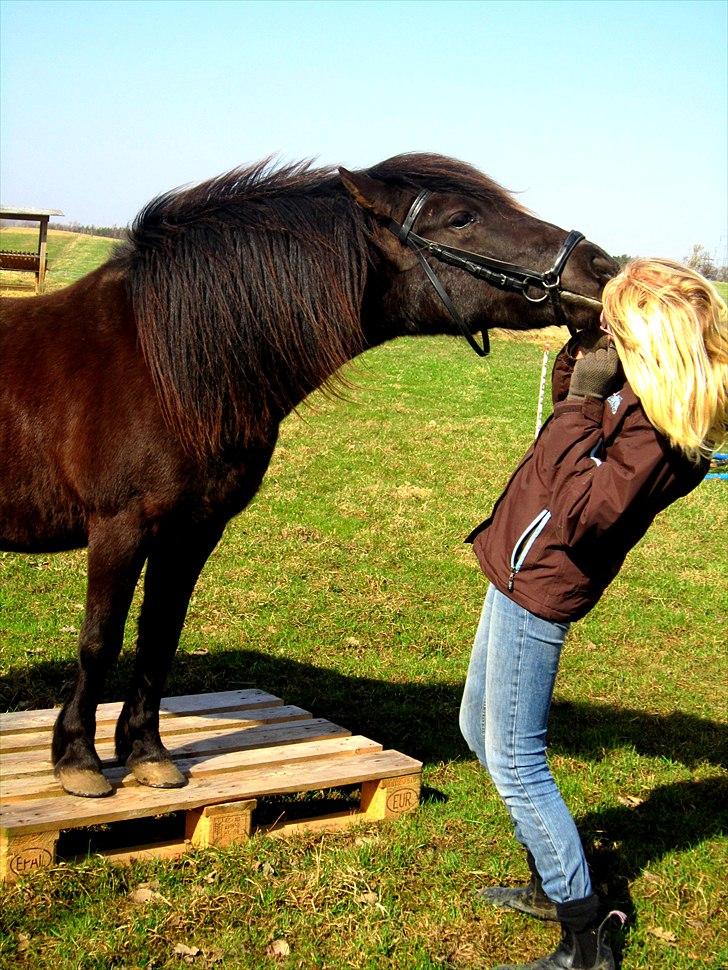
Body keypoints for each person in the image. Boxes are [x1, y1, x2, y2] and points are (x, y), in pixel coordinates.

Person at [459, 258, 728, 970]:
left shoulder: (663, 436)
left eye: (614, 316)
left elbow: (579, 510)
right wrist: (579, 364)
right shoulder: (635, 388)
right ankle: (556, 877)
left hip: (543, 584)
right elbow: (566, 435)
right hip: (516, 562)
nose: (604, 322)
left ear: (650, 332)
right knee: (473, 726)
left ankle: (585, 938)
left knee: (517, 761)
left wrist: (582, 403)